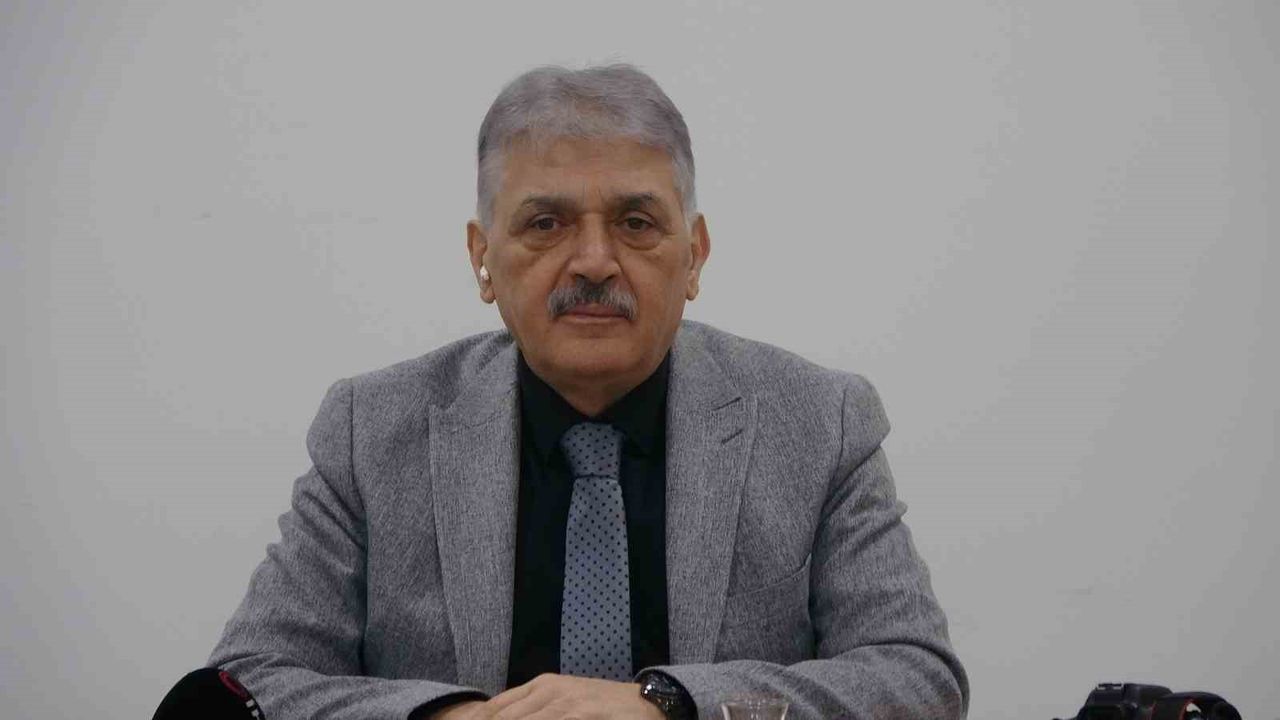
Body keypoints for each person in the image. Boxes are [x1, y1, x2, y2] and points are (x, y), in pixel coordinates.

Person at [206, 63, 969, 720]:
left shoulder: (820, 422)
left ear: (695, 255)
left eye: (636, 222)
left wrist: (670, 706)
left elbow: (917, 680)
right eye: (547, 223)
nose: (595, 261)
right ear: (481, 258)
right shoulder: (371, 430)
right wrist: (449, 718)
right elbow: (244, 687)